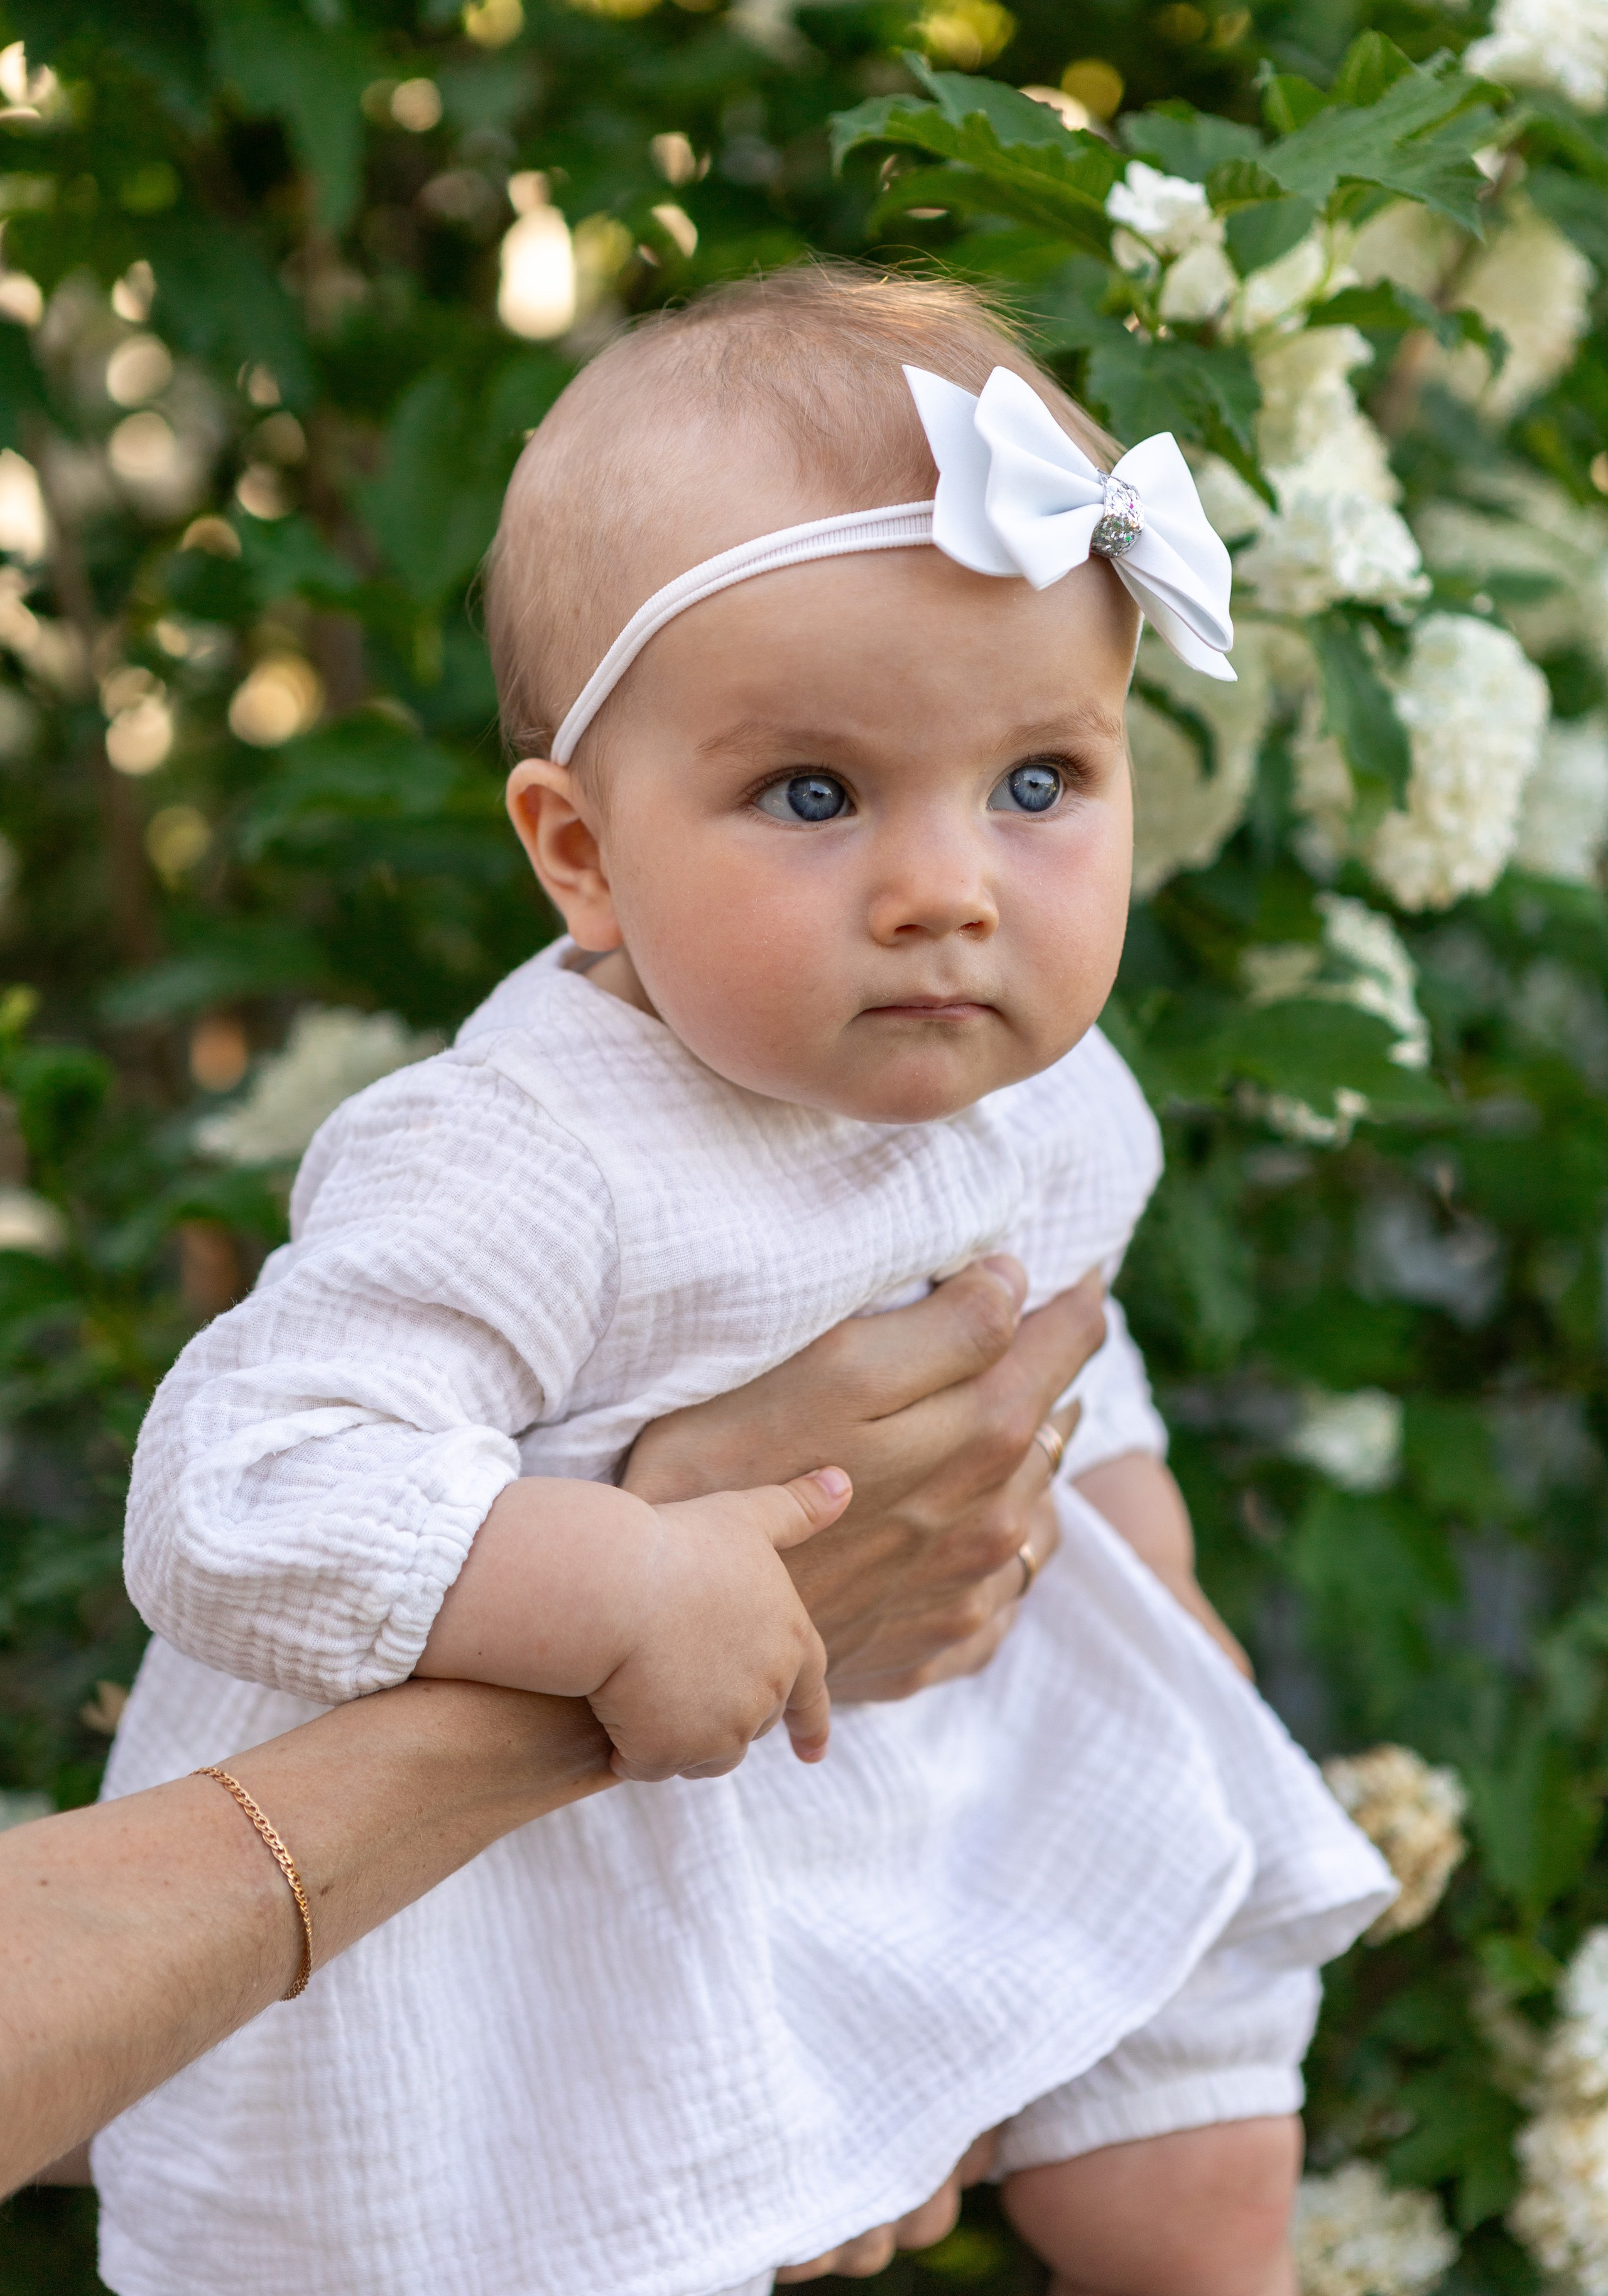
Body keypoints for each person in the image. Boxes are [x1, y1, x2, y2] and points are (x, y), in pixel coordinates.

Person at [95, 268, 1392, 2296]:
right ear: (583, 855)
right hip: (544, 1879)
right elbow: (240, 1486)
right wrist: (614, 1581)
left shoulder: (1052, 1095)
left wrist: (1164, 1570)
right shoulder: (531, 1154)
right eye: (815, 793)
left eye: (1039, 782)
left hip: (922, 1744)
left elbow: (1080, 1355)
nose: (947, 886)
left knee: (1203, 2112)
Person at [7, 1251, 1102, 2239]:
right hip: (503, 1932)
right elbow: (233, 1509)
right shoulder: (532, 1147)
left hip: (854, 1834)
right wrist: (647, 1585)